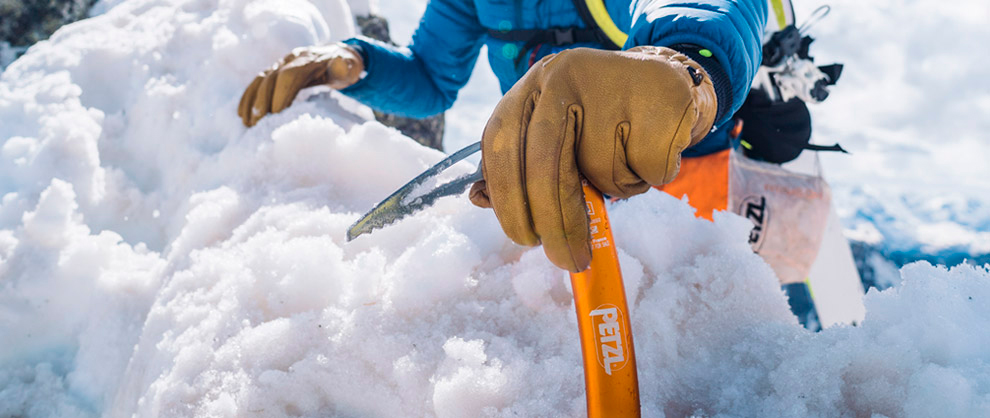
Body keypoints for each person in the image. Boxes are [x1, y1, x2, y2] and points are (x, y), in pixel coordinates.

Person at [238, 0, 768, 273]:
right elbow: (431, 78)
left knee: (680, 323)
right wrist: (357, 63)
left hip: (675, 169)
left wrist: (681, 66)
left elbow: (704, 6)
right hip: (546, 170)